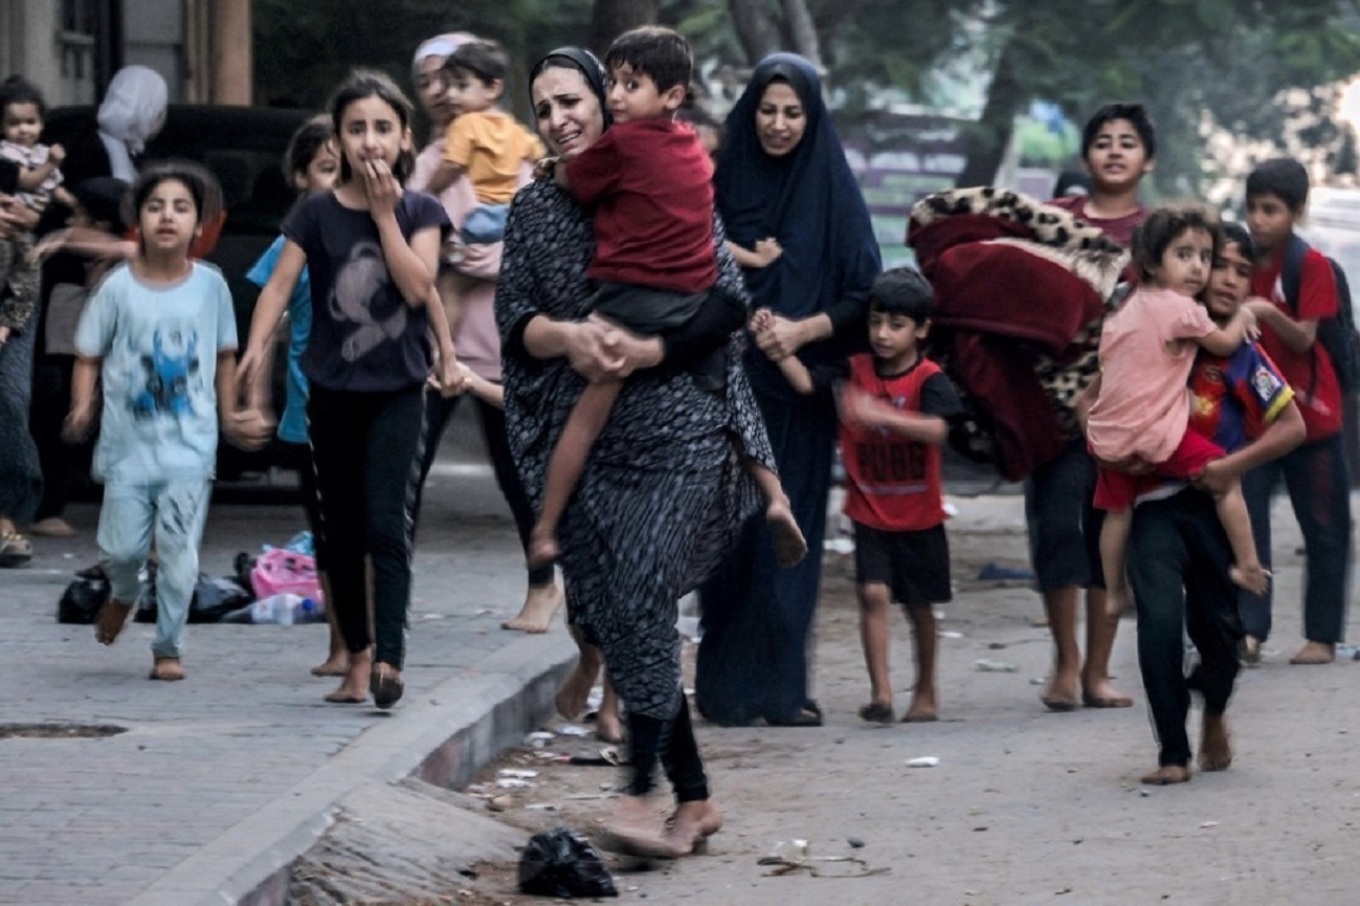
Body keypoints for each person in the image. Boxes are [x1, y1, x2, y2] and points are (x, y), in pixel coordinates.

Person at [498, 46, 774, 857]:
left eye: (573, 100)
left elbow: (729, 302)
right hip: (584, 443)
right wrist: (569, 335)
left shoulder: (669, 177)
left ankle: (638, 794)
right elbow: (515, 324)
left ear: (610, 101)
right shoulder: (534, 209)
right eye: (543, 108)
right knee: (629, 618)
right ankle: (693, 801)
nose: (560, 120)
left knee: (644, 594)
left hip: (678, 429)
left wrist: (652, 351)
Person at [528, 25, 805, 574]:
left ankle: (543, 529)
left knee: (584, 417)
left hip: (633, 301)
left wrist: (551, 170)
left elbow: (577, 183)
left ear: (673, 95)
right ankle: (776, 497)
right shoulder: (692, 148)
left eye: (630, 85)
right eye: (612, 83)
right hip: (694, 295)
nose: (616, 97)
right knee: (734, 402)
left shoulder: (624, 144)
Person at [237, 70, 458, 709]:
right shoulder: (316, 211)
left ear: (404, 138)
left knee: (388, 526)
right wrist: (257, 344)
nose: (370, 141)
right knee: (341, 531)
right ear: (337, 140)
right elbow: (278, 285)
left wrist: (386, 216)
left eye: (382, 128)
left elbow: (418, 288)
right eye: (356, 129)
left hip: (397, 389)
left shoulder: (422, 211)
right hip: (329, 389)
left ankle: (390, 657)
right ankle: (355, 659)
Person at [696, 53, 882, 728]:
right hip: (722, 391)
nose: (778, 124)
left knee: (788, 537)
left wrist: (801, 331)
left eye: (792, 112)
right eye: (768, 110)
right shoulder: (716, 181)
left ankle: (780, 688)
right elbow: (689, 267)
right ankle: (723, 689)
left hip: (797, 398)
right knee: (729, 542)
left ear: (812, 117)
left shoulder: (832, 190)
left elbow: (866, 291)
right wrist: (744, 321)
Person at [1125, 221, 1305, 784]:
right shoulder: (1160, 328)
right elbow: (1097, 397)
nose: (1226, 279)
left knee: (1221, 639)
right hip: (1153, 504)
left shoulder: (1242, 353)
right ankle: (1173, 754)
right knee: (1157, 623)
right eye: (1217, 265)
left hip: (1215, 505)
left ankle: (1217, 709)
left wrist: (1230, 466)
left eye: (1240, 270)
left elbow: (1292, 427)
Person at [63, 161, 256, 679]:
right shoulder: (117, 289)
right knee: (120, 551)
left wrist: (231, 412)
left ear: (200, 225)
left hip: (190, 448)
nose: (167, 216)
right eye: (155, 206)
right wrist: (83, 406)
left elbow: (224, 356)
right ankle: (124, 592)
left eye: (180, 207)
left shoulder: (211, 286)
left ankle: (168, 647)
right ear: (138, 221)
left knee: (179, 553)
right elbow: (88, 355)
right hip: (126, 449)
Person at [405, 32, 567, 639]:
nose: (443, 93)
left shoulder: (516, 152)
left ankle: (542, 588)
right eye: (430, 84)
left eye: (454, 79)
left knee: (518, 474)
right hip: (432, 350)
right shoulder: (431, 161)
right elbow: (406, 241)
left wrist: (465, 257)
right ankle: (388, 597)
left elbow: (535, 246)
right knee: (406, 473)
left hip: (503, 350)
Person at [1024, 102, 1156, 712]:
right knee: (1055, 531)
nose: (1114, 151)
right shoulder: (1052, 222)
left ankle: (1098, 673)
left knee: (1110, 539)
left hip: (1126, 412)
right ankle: (1064, 663)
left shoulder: (1158, 235)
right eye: (1103, 141)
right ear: (1085, 157)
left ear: (1147, 160)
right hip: (1052, 408)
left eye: (1127, 142)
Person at [1086, 204, 1267, 617]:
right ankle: (1248, 564)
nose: (1198, 268)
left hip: (1109, 438)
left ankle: (1114, 592)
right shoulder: (1180, 308)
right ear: (1151, 262)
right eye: (1184, 255)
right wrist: (1244, 314)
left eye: (1204, 257)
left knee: (1116, 513)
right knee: (1226, 481)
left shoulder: (1126, 307)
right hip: (1154, 437)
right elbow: (1223, 343)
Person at [1240, 157, 1354, 666]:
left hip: (1312, 419)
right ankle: (1250, 630)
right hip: (1254, 421)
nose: (1259, 220)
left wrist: (1265, 311)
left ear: (1296, 212)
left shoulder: (1310, 267)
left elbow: (1306, 335)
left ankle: (1322, 637)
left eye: (1271, 210)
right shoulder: (1236, 265)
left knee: (1327, 528)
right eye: (1253, 208)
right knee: (1245, 528)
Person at [244, 114, 346, 677]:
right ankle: (339, 640)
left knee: (369, 527)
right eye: (325, 169)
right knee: (326, 527)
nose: (336, 180)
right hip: (311, 411)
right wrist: (256, 399)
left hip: (370, 404)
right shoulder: (291, 246)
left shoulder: (383, 232)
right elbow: (271, 325)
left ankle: (371, 640)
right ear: (302, 178)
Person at [837, 268, 962, 724]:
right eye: (875, 322)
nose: (883, 335)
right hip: (869, 509)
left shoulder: (929, 378)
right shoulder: (854, 369)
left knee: (919, 606)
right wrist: (779, 346)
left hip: (919, 516)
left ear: (921, 329)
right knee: (872, 594)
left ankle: (925, 690)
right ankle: (882, 694)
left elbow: (938, 428)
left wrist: (878, 414)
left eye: (896, 325)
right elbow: (808, 383)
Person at [27, 176, 129, 539]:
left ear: (100, 223)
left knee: (66, 433)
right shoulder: (62, 253)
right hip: (57, 356)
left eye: (79, 216)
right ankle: (46, 508)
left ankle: (51, 504)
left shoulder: (120, 256)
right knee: (51, 429)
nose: (69, 224)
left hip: (87, 358)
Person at [421, 39, 543, 242]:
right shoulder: (516, 129)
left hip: (476, 216)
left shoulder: (464, 124)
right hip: (509, 215)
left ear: (492, 89)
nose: (450, 94)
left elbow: (452, 165)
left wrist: (428, 191)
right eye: (449, 85)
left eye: (461, 86)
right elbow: (539, 158)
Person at [0, 158, 42, 567]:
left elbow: (27, 279)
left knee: (9, 400)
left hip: (10, 314)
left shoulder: (15, 225)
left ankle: (7, 514)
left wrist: (6, 325)